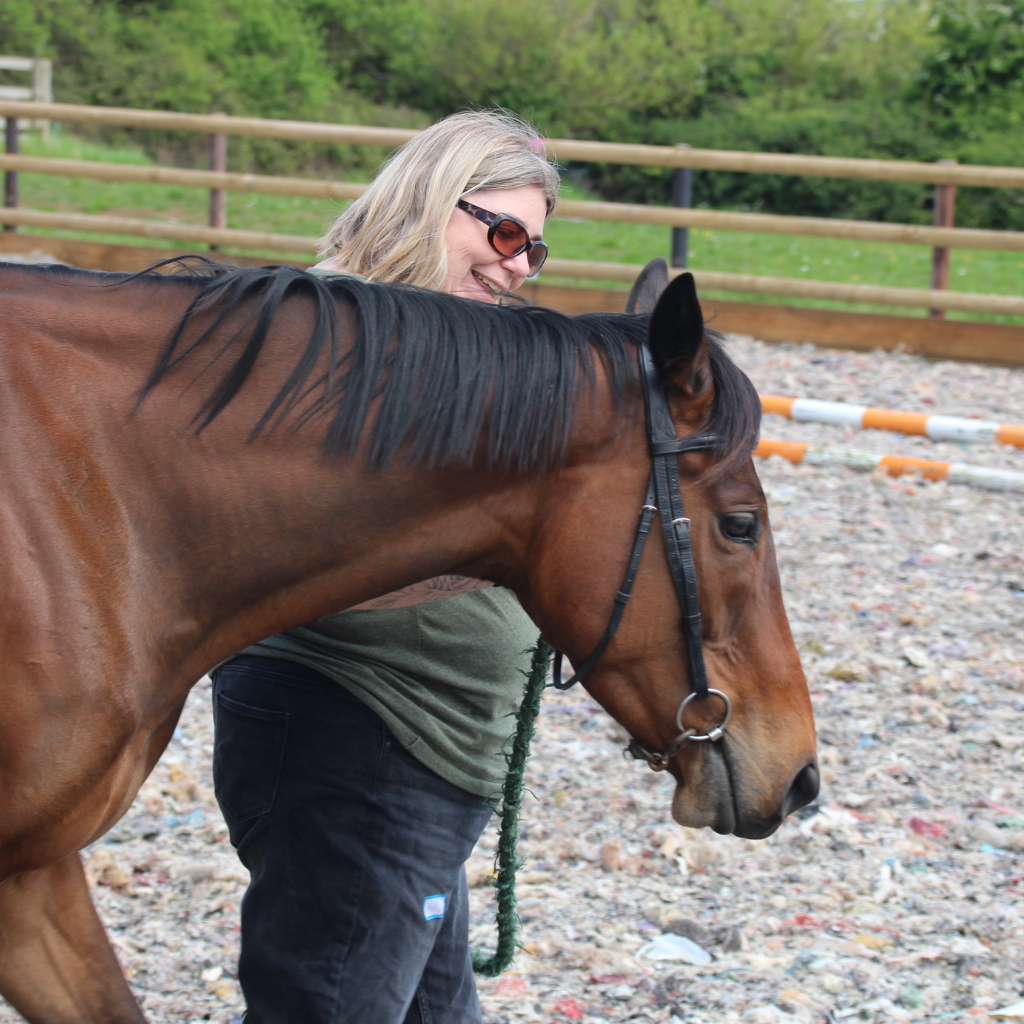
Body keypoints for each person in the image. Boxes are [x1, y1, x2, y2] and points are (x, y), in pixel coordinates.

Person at [211, 110, 558, 1024]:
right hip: (358, 742)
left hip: (418, 755)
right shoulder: (318, 335)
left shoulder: (438, 336)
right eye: (507, 233)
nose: (520, 264)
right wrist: (527, 558)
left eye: (536, 251)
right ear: (432, 200)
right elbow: (294, 556)